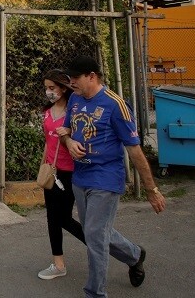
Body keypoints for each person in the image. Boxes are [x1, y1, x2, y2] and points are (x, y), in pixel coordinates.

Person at [58, 55, 165, 298]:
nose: (71, 82)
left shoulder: (115, 104)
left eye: (75, 77)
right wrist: (69, 141)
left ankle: (95, 293)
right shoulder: (74, 99)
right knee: (94, 231)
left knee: (95, 235)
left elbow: (134, 149)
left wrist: (151, 189)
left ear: (92, 76)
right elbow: (66, 132)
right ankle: (134, 255)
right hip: (81, 178)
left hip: (106, 178)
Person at [37, 69, 86, 280]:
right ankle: (58, 263)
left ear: (63, 88)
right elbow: (47, 142)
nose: (48, 92)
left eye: (52, 88)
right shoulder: (47, 112)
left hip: (69, 173)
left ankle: (101, 245)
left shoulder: (74, 112)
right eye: (46, 88)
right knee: (52, 218)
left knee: (63, 218)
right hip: (51, 171)